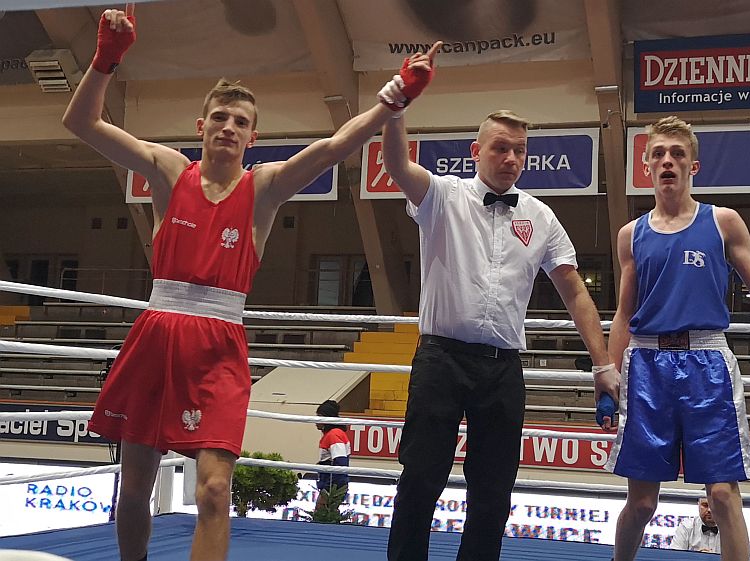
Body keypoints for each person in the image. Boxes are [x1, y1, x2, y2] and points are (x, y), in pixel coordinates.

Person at [62, 8, 439, 561]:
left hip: (218, 346)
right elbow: (82, 124)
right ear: (202, 127)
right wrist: (105, 59)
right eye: (220, 117)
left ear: (252, 136)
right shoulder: (169, 170)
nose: (228, 128)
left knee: (215, 489)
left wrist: (395, 96)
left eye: (240, 122)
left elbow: (335, 146)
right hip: (158, 334)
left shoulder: (264, 189)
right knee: (135, 485)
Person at [379, 96, 620, 558]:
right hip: (440, 360)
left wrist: (602, 363)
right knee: (420, 480)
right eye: (501, 148)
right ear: (476, 151)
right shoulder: (443, 197)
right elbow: (396, 165)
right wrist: (396, 111)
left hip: (503, 368)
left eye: (520, 150)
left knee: (493, 493)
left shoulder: (541, 216)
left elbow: (574, 291)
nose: (511, 158)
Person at [604, 116, 750, 561]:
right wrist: (607, 376)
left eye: (677, 154)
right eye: (658, 153)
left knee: (721, 494)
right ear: (646, 165)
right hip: (645, 367)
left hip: (707, 364)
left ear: (693, 166)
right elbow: (624, 313)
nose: (667, 161)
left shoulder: (722, 221)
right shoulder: (631, 235)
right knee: (641, 503)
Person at [315, 399, 351, 509]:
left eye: (319, 417)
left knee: (323, 517)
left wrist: (329, 491)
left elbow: (340, 463)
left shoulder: (334, 435)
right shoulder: (333, 434)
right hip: (332, 485)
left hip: (333, 486)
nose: (316, 420)